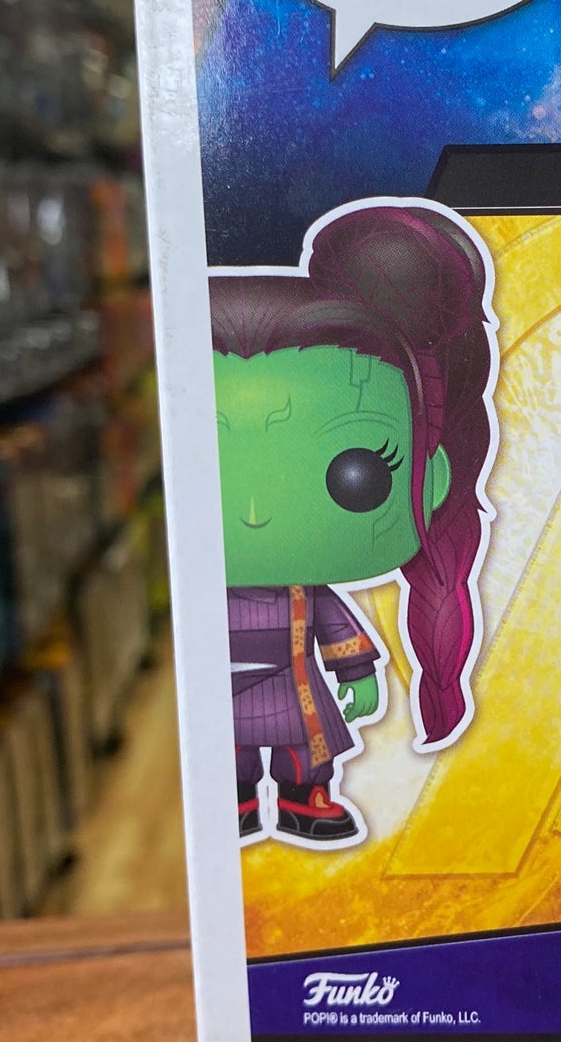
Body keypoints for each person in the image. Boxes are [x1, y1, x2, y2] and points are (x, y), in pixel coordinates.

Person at [210, 199, 497, 845]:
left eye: (358, 473)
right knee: (230, 755)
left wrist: (358, 673)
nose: (254, 514)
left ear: (434, 474)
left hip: (296, 695)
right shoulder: (204, 602)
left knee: (304, 754)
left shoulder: (305, 598)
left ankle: (304, 799)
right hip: (223, 701)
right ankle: (237, 800)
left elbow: (337, 629)